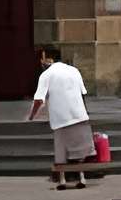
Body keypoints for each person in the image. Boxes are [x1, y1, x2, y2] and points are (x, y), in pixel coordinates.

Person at [27, 44, 95, 188]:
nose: (41, 62)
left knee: (61, 151)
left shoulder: (46, 75)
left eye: (42, 58)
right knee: (79, 150)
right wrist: (84, 112)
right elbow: (82, 93)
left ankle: (62, 179)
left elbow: (39, 100)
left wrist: (31, 115)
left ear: (48, 59)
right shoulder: (74, 70)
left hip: (60, 119)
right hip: (79, 115)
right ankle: (81, 178)